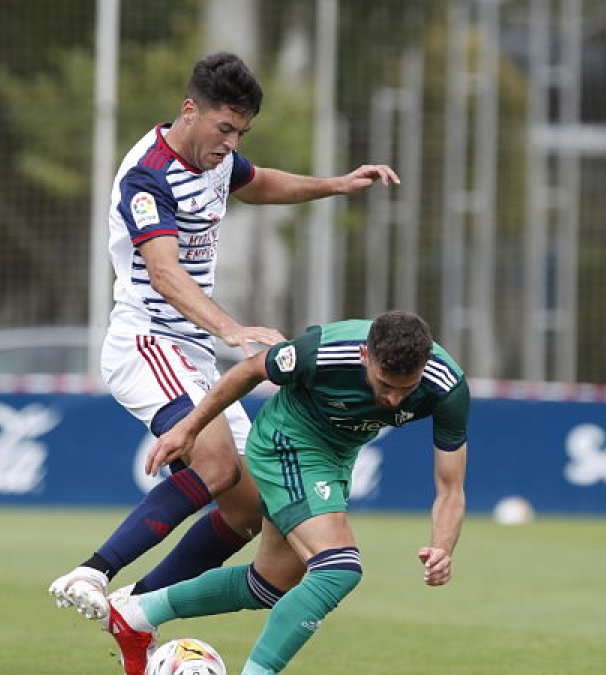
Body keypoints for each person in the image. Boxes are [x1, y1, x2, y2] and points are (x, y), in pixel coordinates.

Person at [49, 51, 401, 624]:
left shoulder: (217, 159)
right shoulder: (147, 177)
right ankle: (93, 571)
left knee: (249, 507)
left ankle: (133, 611)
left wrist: (336, 185)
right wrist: (230, 329)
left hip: (191, 352)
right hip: (147, 341)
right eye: (225, 128)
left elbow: (258, 184)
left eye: (241, 133)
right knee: (215, 464)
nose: (231, 144)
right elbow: (164, 274)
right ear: (190, 110)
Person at [106, 311, 470, 675]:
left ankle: (137, 612)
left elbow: (451, 487)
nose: (393, 399)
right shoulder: (323, 351)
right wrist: (189, 428)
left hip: (336, 459)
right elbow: (248, 371)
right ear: (365, 355)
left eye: (406, 389)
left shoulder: (447, 387)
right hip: (287, 441)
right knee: (338, 569)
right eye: (384, 384)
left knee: (268, 585)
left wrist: (442, 546)